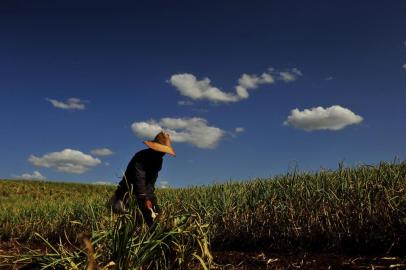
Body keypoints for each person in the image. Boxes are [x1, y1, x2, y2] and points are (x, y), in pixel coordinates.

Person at [110, 131, 175, 226]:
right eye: (161, 150)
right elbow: (139, 179)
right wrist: (145, 198)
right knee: (135, 220)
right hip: (128, 191)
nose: (163, 153)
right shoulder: (141, 157)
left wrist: (150, 198)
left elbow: (151, 182)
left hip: (144, 191)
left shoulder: (159, 161)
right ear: (155, 148)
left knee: (157, 214)